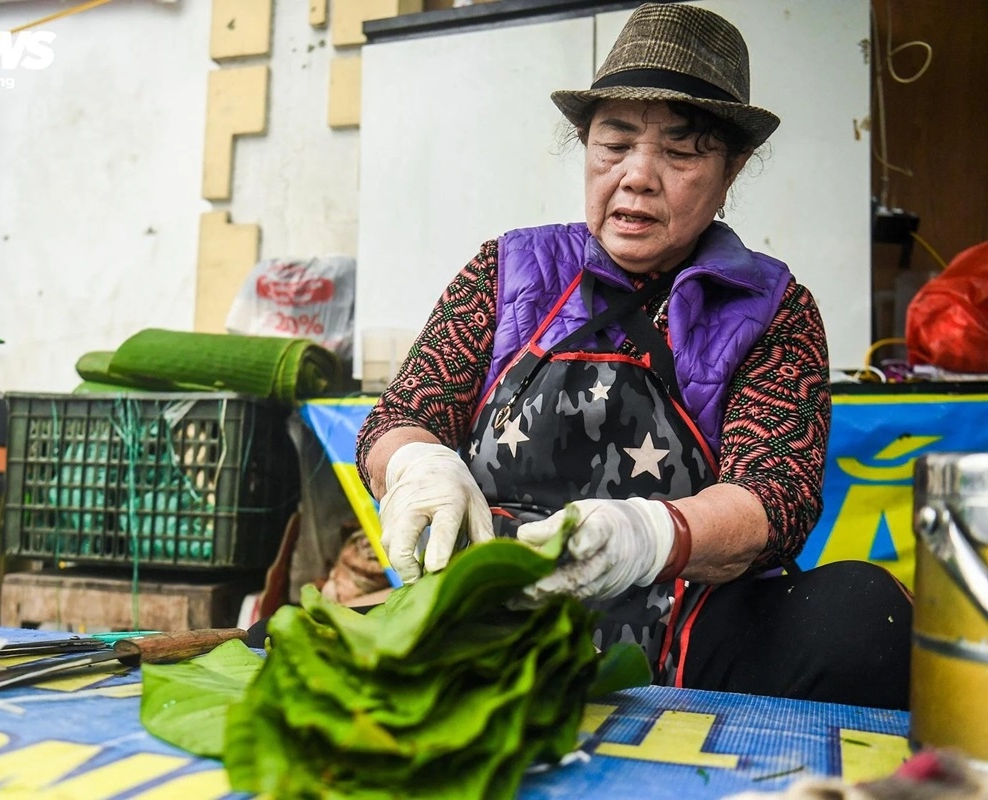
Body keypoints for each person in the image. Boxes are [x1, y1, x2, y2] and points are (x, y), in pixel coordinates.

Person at [356, 2, 912, 710]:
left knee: (862, 615)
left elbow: (777, 497)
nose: (638, 176)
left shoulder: (774, 309)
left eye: (681, 151)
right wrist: (417, 464)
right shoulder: (506, 271)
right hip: (498, 621)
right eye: (614, 143)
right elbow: (405, 414)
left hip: (695, 636)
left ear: (733, 169)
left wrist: (647, 535)